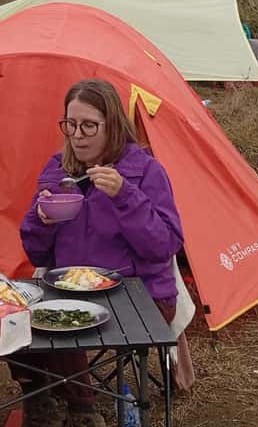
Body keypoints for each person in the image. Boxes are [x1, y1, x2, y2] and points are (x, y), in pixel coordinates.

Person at [16, 79, 193, 427]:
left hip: (140, 293)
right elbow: (36, 253)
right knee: (15, 315)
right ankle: (41, 400)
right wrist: (42, 219)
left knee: (65, 323)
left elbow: (164, 246)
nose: (77, 135)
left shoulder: (145, 171)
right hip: (70, 287)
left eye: (88, 126)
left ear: (112, 125)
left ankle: (81, 411)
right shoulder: (58, 170)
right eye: (70, 125)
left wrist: (125, 196)